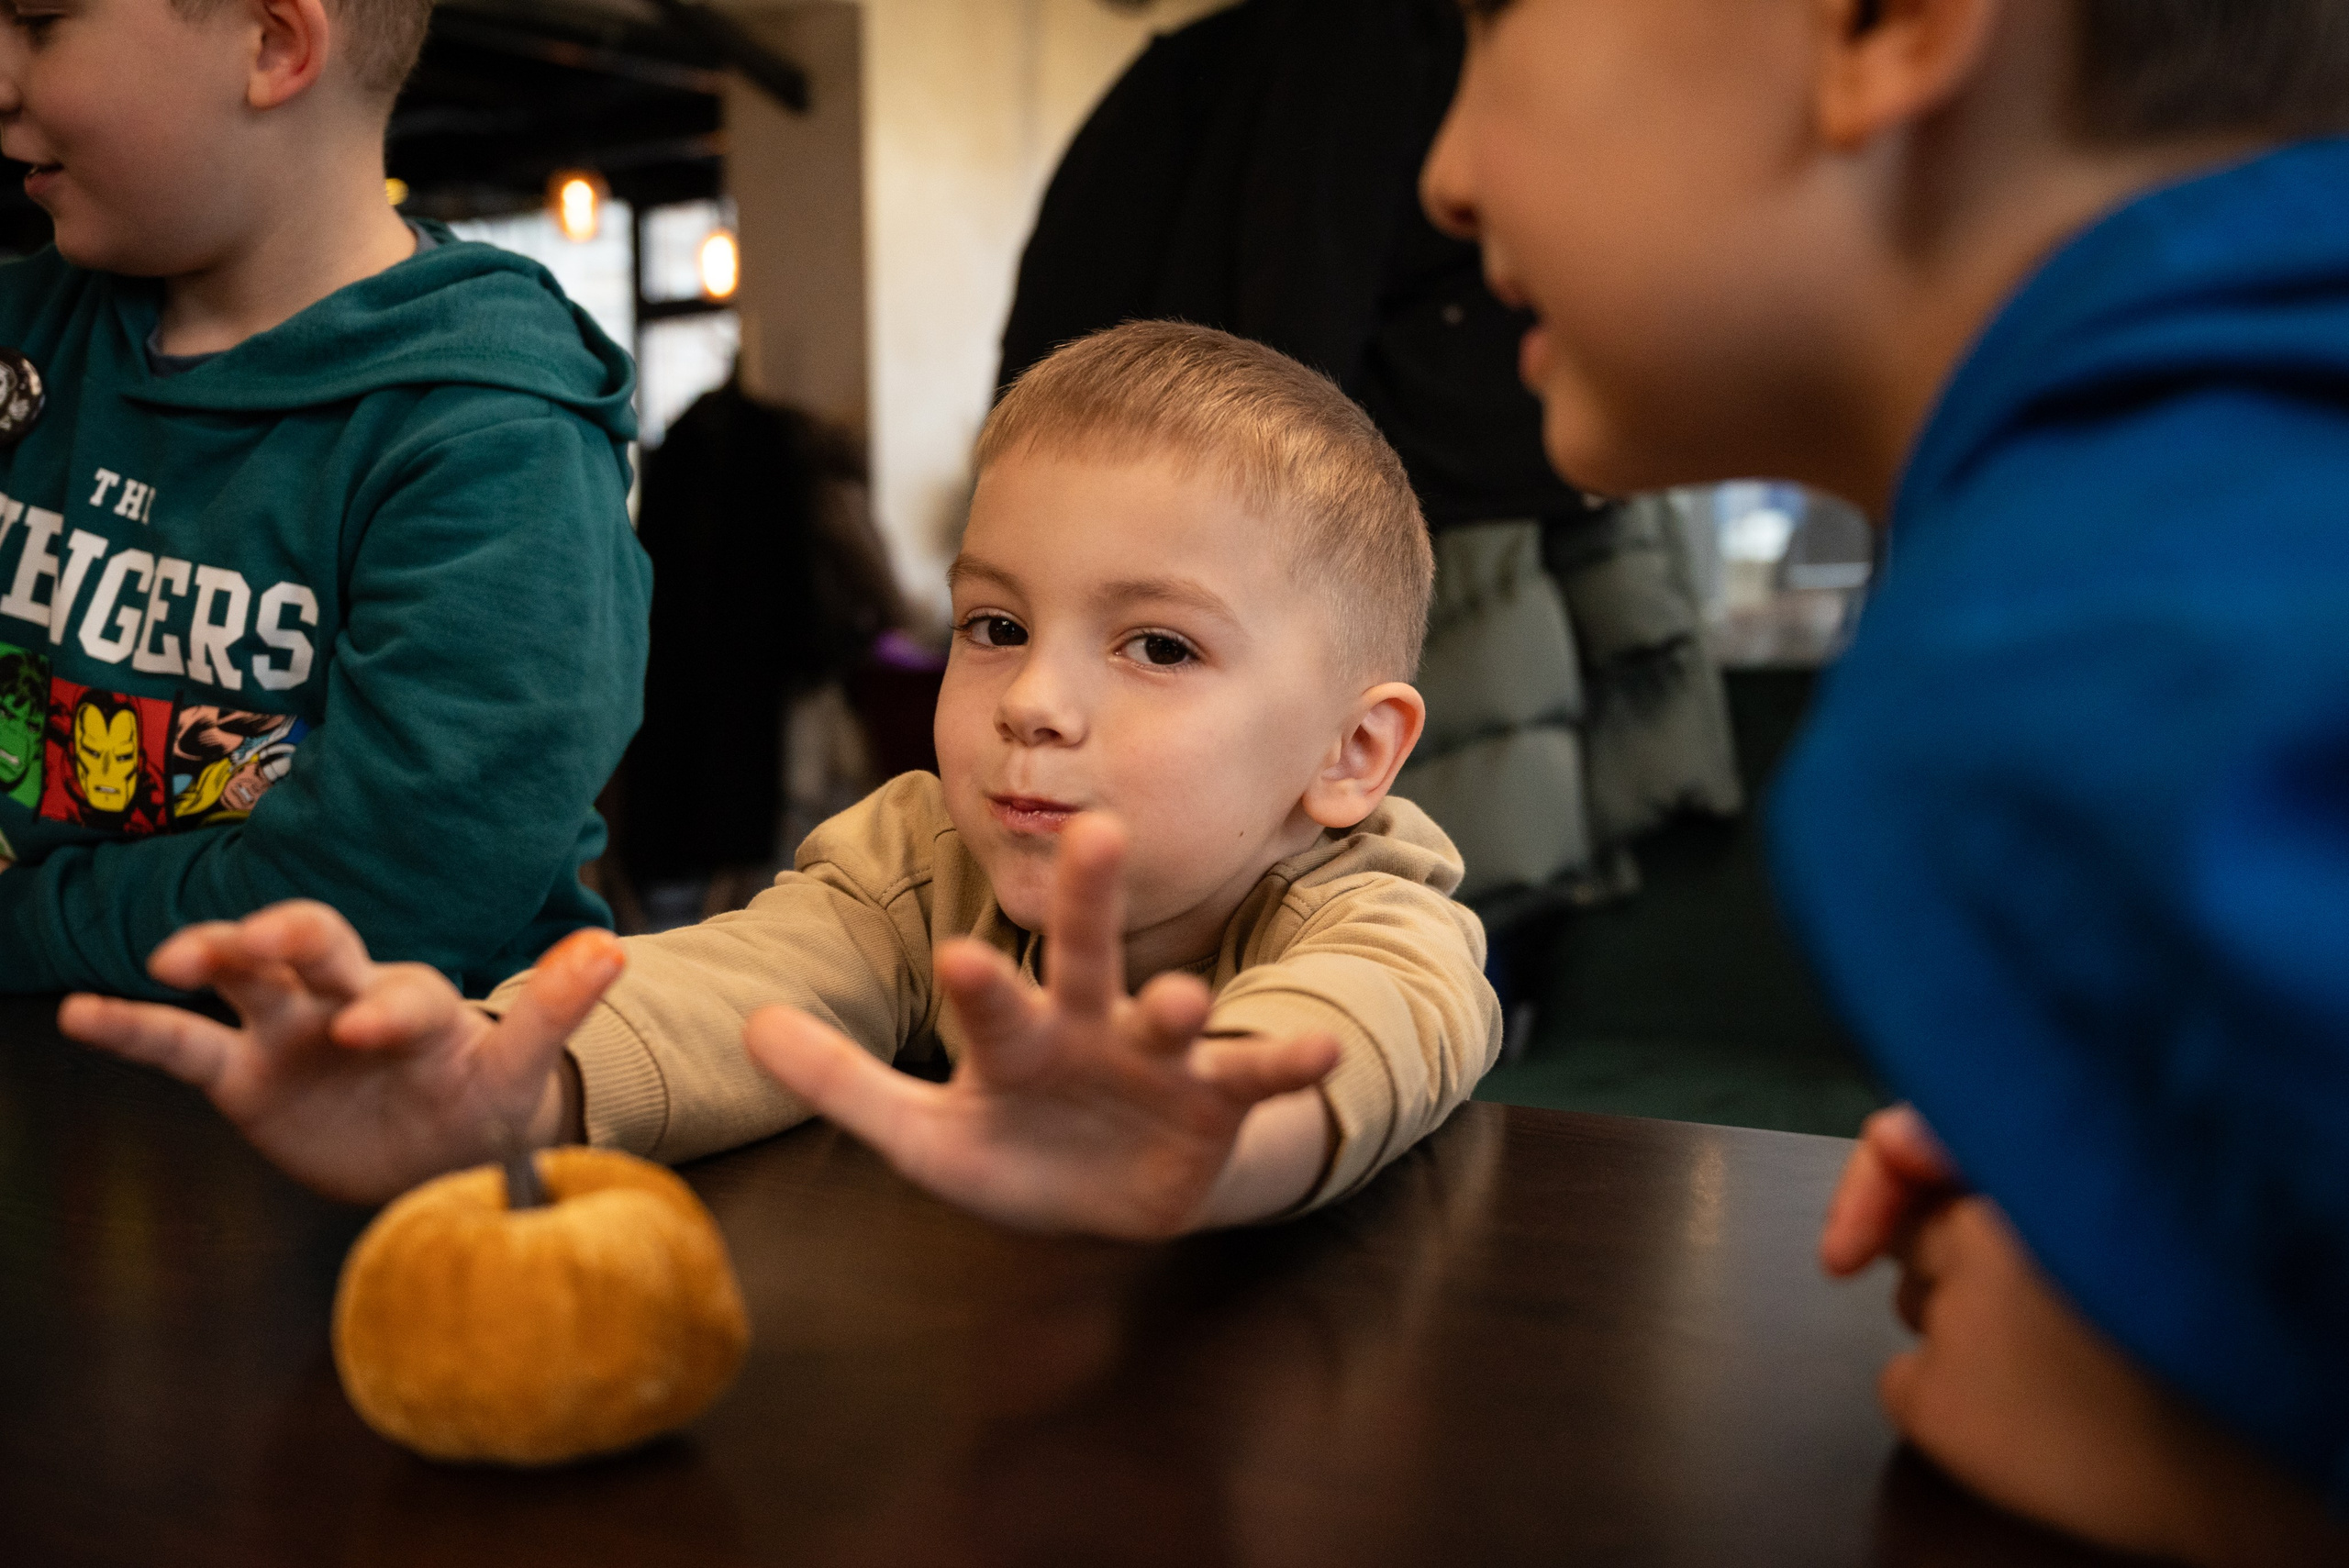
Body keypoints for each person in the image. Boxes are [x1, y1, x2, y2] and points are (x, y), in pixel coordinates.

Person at [1419, 0, 2348, 1562]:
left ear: (1884, 25)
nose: (1443, 172)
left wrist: (2197, 1451)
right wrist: (2168, 1167)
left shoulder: (2058, 651)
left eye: (1493, 23)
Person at [61, 321, 1502, 1240]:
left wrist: (1206, 1141)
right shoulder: (925, 851)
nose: (1037, 704)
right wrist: (502, 1082)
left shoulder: (1373, 905)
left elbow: (1372, 1030)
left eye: (1160, 645)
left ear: (1351, 754)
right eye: (995, 626)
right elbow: (740, 985)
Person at [0, 0, 651, 996]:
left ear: (272, 44)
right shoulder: (28, 330)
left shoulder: (492, 438)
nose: (3, 79)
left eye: (39, 22)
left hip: (375, 1113)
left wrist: (25, 922)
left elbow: (381, 894)